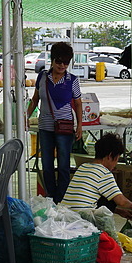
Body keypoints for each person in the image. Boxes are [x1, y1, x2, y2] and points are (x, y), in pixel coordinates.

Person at [26, 42, 83, 203]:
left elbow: (78, 103)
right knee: (47, 165)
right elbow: (35, 99)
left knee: (64, 164)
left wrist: (79, 125)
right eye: (59, 61)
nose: (62, 65)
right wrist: (27, 116)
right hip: (45, 127)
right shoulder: (43, 77)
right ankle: (51, 197)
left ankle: (61, 199)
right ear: (52, 60)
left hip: (65, 128)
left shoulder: (72, 80)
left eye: (66, 62)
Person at [61, 133, 132, 219]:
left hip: (64, 215)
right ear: (110, 156)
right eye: (117, 159)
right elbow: (121, 202)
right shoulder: (105, 173)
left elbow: (90, 201)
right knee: (112, 197)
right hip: (80, 220)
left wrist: (118, 211)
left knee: (108, 195)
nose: (115, 164)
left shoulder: (83, 166)